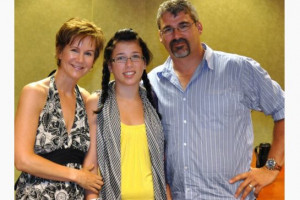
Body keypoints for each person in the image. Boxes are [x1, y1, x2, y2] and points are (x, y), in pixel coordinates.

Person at [148, 0, 285, 199]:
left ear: (199, 26)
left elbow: (285, 109)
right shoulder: (152, 83)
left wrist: (271, 168)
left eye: (183, 26)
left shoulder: (238, 70)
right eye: (168, 29)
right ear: (160, 37)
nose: (176, 35)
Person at [14, 17, 105, 199]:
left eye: (88, 53)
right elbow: (22, 159)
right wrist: (77, 175)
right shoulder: (35, 93)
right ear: (59, 51)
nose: (80, 59)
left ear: (93, 61)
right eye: (74, 50)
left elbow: (91, 165)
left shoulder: (88, 100)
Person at [83, 28, 167, 200]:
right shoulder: (98, 102)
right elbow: (90, 164)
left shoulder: (153, 102)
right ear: (110, 65)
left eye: (135, 56)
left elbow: (161, 167)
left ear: (144, 63)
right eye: (121, 58)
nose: (129, 64)